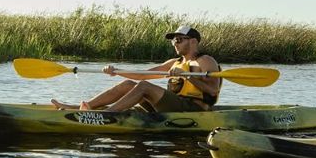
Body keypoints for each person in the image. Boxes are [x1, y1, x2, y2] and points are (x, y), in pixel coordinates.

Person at [51, 25, 221, 112]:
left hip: (193, 108)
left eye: (179, 40)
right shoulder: (174, 62)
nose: (175, 43)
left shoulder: (205, 61)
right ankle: (80, 107)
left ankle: (107, 115)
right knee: (128, 84)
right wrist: (116, 71)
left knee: (144, 88)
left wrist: (189, 77)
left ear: (193, 42)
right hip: (172, 106)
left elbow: (212, 91)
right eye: (173, 40)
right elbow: (143, 75)